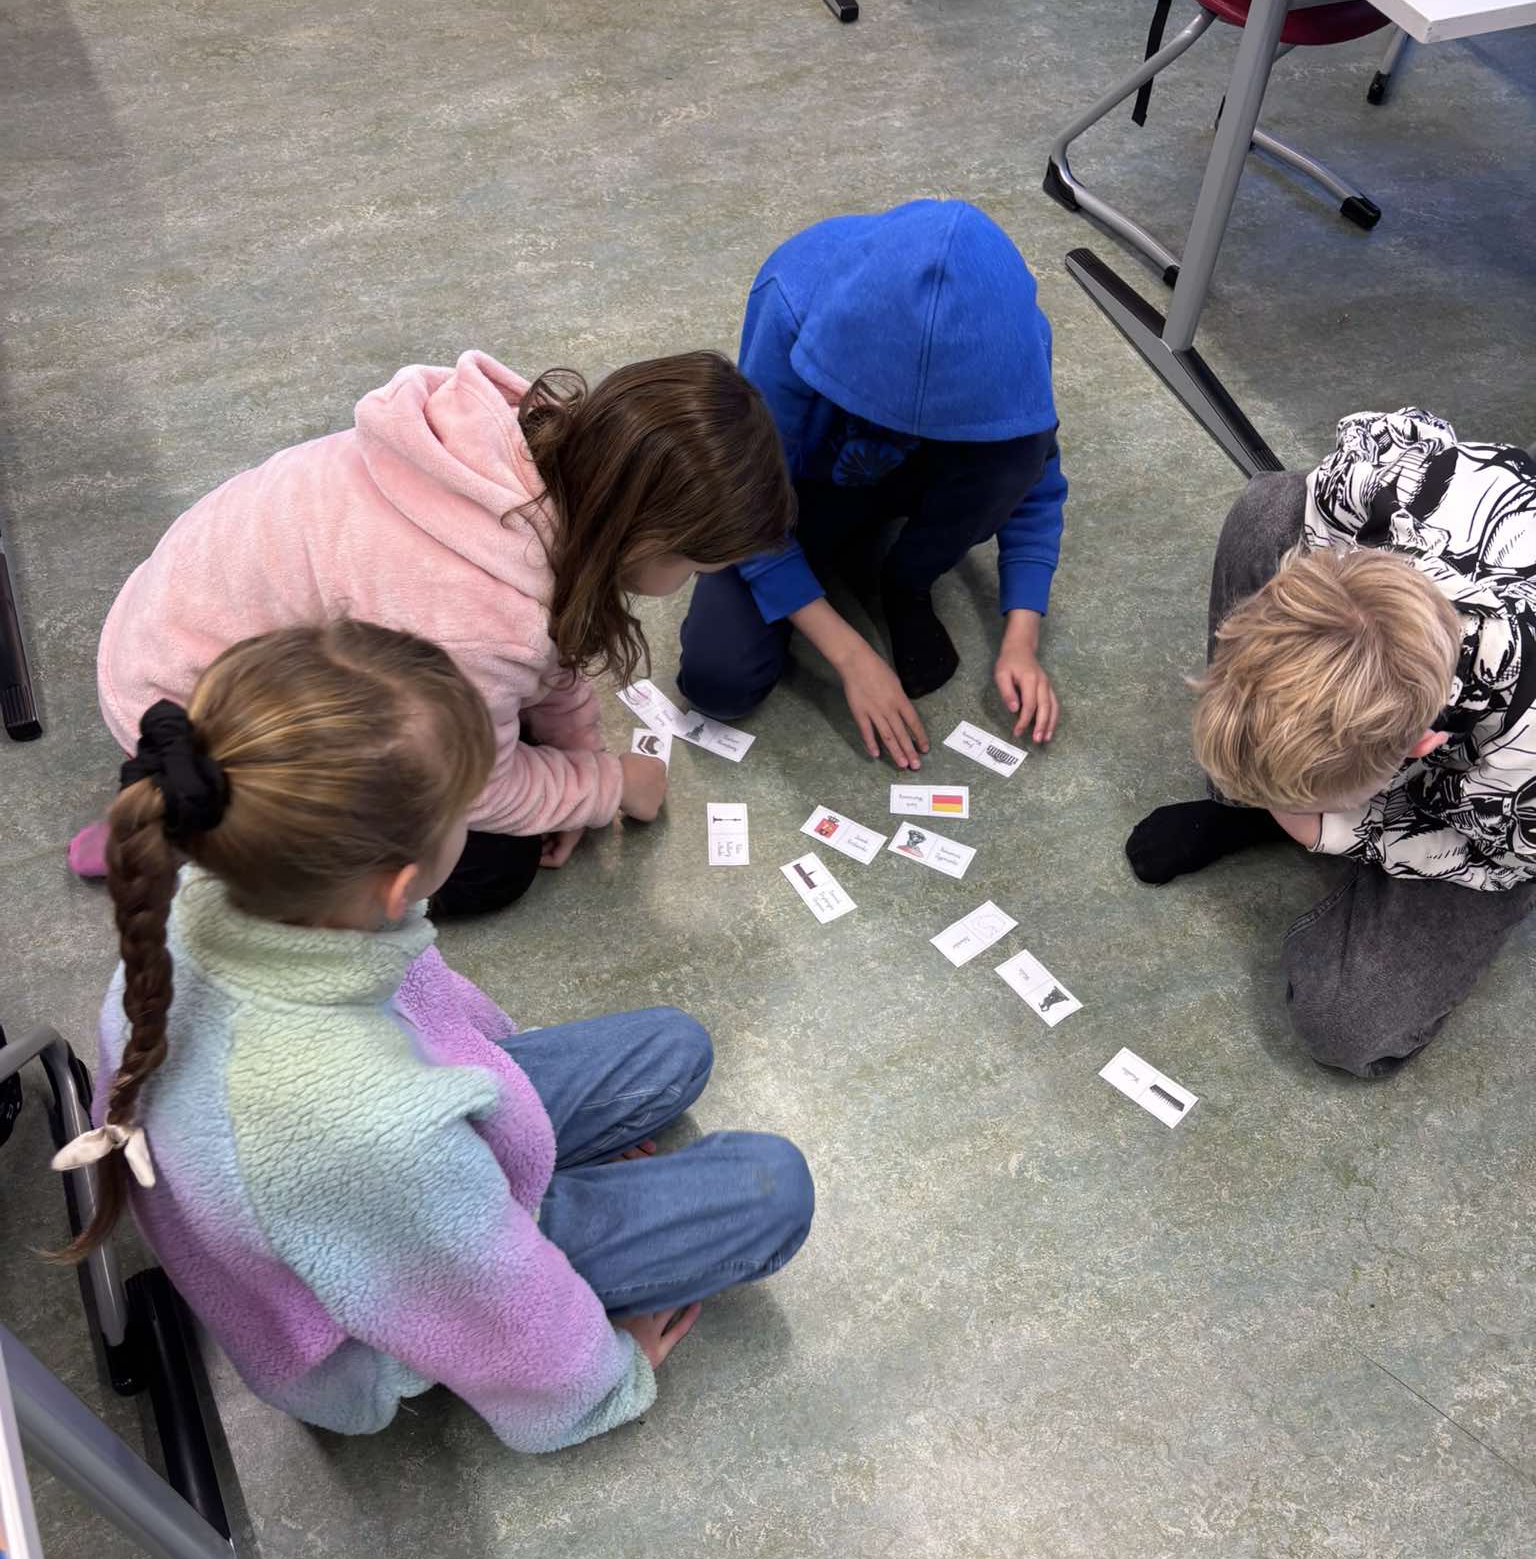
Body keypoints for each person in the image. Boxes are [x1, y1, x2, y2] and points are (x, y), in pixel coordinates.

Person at [53, 621, 814, 1453]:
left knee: (676, 1045)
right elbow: (493, 1306)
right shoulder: (366, 1129)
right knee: (774, 1188)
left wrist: (520, 1124)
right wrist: (603, 1377)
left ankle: (530, 1176)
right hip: (370, 1285)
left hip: (368, 1161)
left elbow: (430, 1018)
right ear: (400, 882)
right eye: (468, 812)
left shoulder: (222, 879)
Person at [74, 349, 794, 915]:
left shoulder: (530, 446)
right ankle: (194, 836)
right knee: (490, 866)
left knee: (519, 758)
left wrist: (578, 753)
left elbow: (551, 653)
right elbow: (483, 786)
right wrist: (607, 786)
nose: (691, 584)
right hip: (189, 713)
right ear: (647, 540)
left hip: (179, 623)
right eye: (695, 568)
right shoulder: (481, 616)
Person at [1127, 408, 1536, 1076]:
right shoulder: (1363, 501)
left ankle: (1318, 811)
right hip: (1436, 628)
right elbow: (1296, 515)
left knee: (1349, 1024)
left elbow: (1502, 860)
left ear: (1419, 747)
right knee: (1268, 507)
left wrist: (1338, 834)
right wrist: (1273, 792)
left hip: (1505, 822)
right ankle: (1252, 800)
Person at [676, 200, 1067, 768]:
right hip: (795, 494)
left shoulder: (1015, 338)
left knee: (1013, 451)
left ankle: (906, 578)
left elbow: (1033, 479)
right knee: (718, 682)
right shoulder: (792, 302)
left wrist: (1021, 638)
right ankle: (842, 554)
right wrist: (849, 654)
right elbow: (740, 498)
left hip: (913, 484)